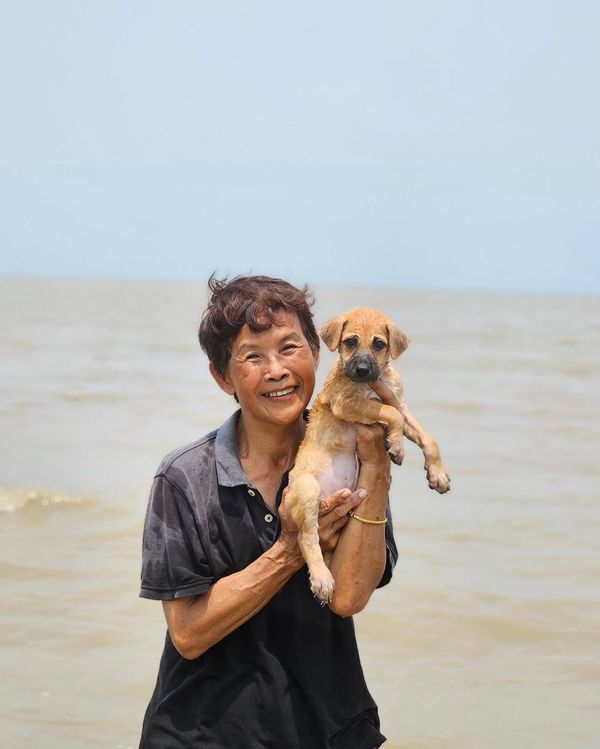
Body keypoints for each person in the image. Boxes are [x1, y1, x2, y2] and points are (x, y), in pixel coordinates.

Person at [139, 275, 399, 749]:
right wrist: (290, 550)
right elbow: (189, 634)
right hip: (201, 734)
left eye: (290, 347)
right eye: (252, 356)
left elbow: (348, 597)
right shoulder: (184, 478)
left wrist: (377, 466)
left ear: (320, 355)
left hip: (326, 729)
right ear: (223, 377)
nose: (277, 370)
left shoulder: (352, 457)